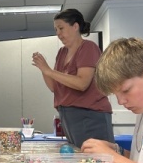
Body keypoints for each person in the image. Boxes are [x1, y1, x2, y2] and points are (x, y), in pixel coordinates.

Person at [32, 8, 114, 148]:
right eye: (56, 30)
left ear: (75, 26)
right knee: (78, 156)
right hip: (68, 115)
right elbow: (54, 87)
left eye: (61, 28)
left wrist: (49, 71)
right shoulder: (62, 53)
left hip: (90, 115)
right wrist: (43, 70)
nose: (58, 33)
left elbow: (82, 83)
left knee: (96, 156)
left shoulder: (88, 48)